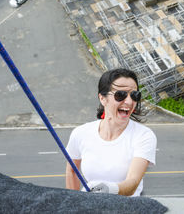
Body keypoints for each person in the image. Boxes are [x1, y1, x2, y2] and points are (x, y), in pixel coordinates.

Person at [65, 68, 157, 196]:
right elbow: (72, 171)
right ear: (102, 98)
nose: (129, 102)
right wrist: (73, 204)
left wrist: (111, 189)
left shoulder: (143, 135)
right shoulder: (80, 133)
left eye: (134, 95)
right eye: (120, 95)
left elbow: (133, 182)